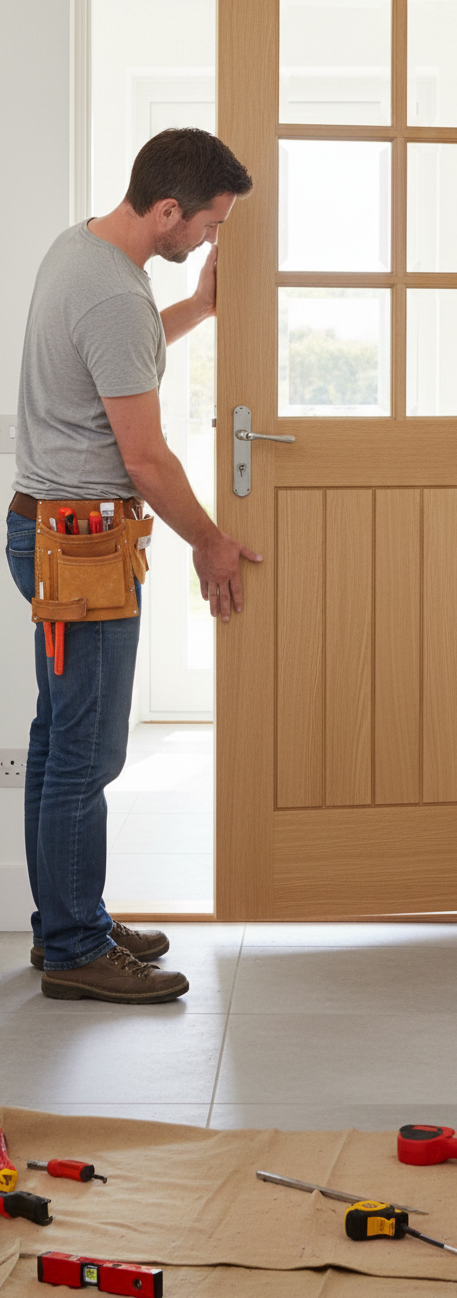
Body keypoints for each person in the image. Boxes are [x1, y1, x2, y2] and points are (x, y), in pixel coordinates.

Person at [6, 128, 261, 1004]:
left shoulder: (84, 251)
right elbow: (147, 459)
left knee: (59, 742)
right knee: (87, 751)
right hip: (79, 546)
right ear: (166, 211)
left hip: (51, 530)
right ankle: (75, 948)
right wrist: (212, 542)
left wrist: (201, 309)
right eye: (209, 225)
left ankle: (67, 922)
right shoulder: (112, 295)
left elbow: (121, 355)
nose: (210, 239)